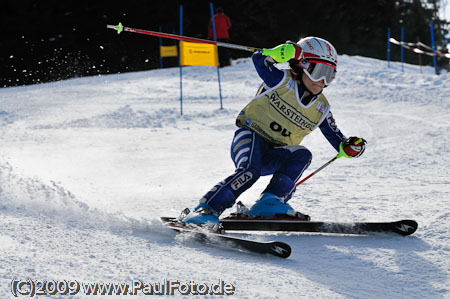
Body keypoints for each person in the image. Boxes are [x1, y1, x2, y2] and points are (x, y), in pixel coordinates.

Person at [181, 37, 367, 227]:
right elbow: (259, 60)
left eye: (330, 75)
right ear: (299, 66)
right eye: (318, 71)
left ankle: (269, 202)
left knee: (302, 154)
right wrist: (279, 53)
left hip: (275, 152)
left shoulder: (321, 107)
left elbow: (337, 139)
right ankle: (206, 209)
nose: (322, 81)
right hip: (250, 137)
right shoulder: (280, 80)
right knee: (250, 171)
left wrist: (349, 146)